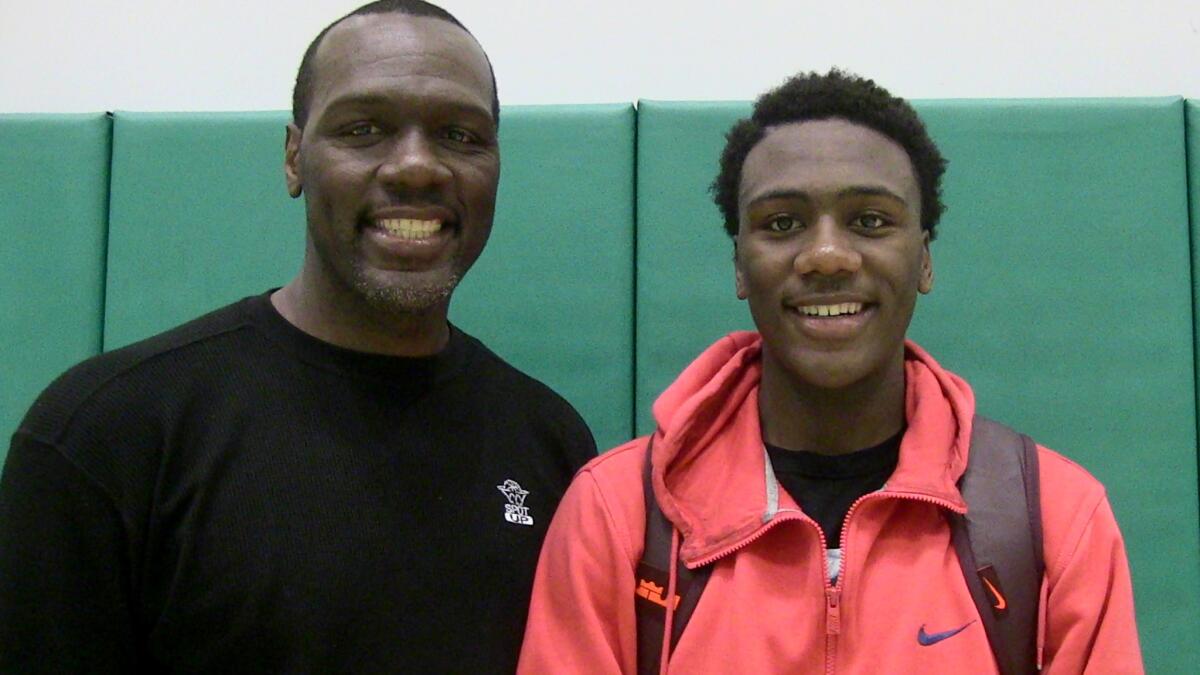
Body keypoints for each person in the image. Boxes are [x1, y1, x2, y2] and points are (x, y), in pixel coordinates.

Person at [0, 1, 596, 672]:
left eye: (460, 135)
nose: (416, 167)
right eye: (364, 128)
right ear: (293, 159)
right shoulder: (108, 431)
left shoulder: (554, 445)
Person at [519, 70, 1141, 673]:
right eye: (782, 223)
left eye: (870, 220)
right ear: (740, 265)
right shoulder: (617, 516)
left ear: (923, 258)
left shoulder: (1054, 520)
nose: (826, 257)